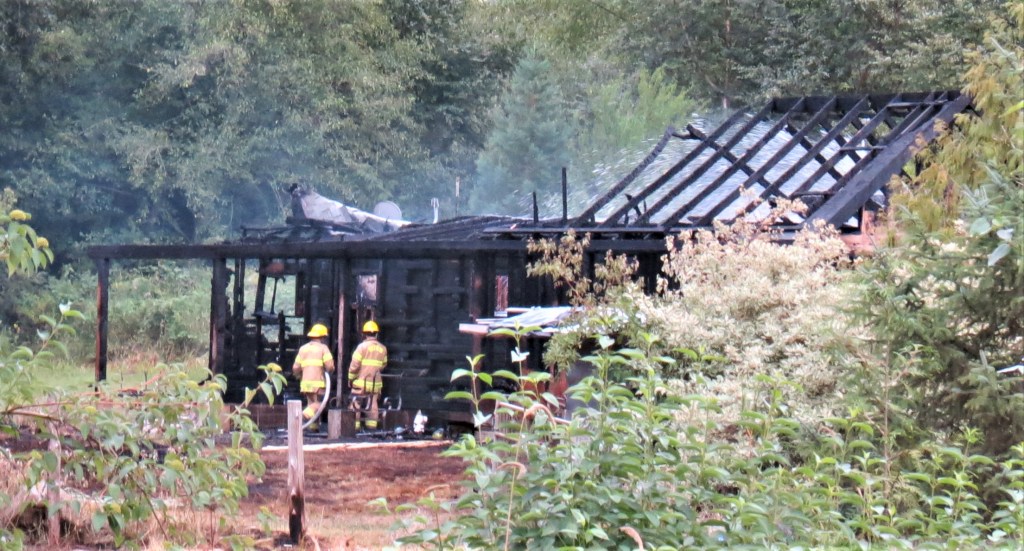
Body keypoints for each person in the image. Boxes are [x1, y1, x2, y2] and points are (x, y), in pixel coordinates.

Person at [292, 323, 334, 429]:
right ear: (323, 337)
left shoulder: (303, 349)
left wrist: (299, 376)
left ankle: (313, 428)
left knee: (311, 403)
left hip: (305, 384)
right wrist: (329, 371)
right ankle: (302, 416)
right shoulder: (323, 348)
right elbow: (330, 366)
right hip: (318, 384)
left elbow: (296, 368)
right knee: (320, 404)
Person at [349, 320, 388, 430]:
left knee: (355, 402)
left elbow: (354, 365)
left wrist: (351, 378)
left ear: (364, 334)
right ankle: (372, 427)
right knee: (373, 403)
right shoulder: (383, 348)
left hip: (361, 381)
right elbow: (384, 364)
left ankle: (354, 427)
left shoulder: (361, 347)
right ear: (376, 333)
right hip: (376, 382)